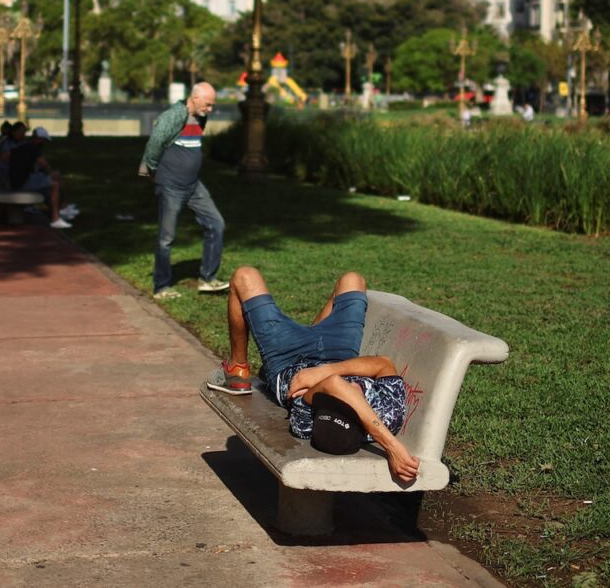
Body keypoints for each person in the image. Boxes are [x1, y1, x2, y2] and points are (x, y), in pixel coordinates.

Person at [207, 267, 419, 481]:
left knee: (244, 276)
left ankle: (237, 367)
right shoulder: (388, 415)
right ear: (362, 418)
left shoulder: (305, 423)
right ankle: (316, 331)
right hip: (339, 352)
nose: (349, 391)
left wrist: (325, 374)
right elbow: (383, 364)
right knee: (352, 279)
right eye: (347, 406)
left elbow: (334, 384)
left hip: (286, 356)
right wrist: (391, 445)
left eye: (333, 402)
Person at [139, 82, 226, 299]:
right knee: (166, 238)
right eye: (207, 104)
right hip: (171, 186)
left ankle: (208, 278)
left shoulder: (201, 116)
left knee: (217, 224)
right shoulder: (173, 117)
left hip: (194, 185)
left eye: (212, 105)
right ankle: (161, 287)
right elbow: (154, 144)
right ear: (194, 98)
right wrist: (150, 171)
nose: (210, 110)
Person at [10, 126, 76, 229]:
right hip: (22, 183)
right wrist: (51, 173)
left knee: (49, 188)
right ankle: (60, 213)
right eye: (44, 140)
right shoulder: (33, 148)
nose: (44, 143)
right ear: (39, 139)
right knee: (55, 182)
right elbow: (44, 164)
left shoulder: (24, 146)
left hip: (16, 181)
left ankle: (60, 211)